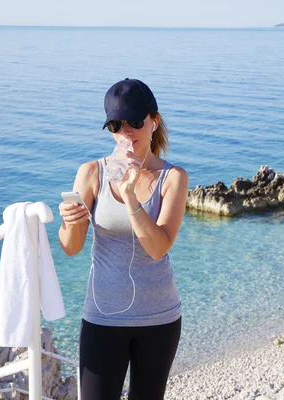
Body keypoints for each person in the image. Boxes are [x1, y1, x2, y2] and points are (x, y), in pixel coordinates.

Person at [58, 78, 189, 400]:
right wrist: (70, 222)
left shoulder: (173, 178)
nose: (126, 133)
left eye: (135, 122)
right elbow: (71, 247)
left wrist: (130, 197)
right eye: (116, 124)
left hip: (159, 317)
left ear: (154, 122)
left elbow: (158, 248)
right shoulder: (91, 172)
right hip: (103, 316)